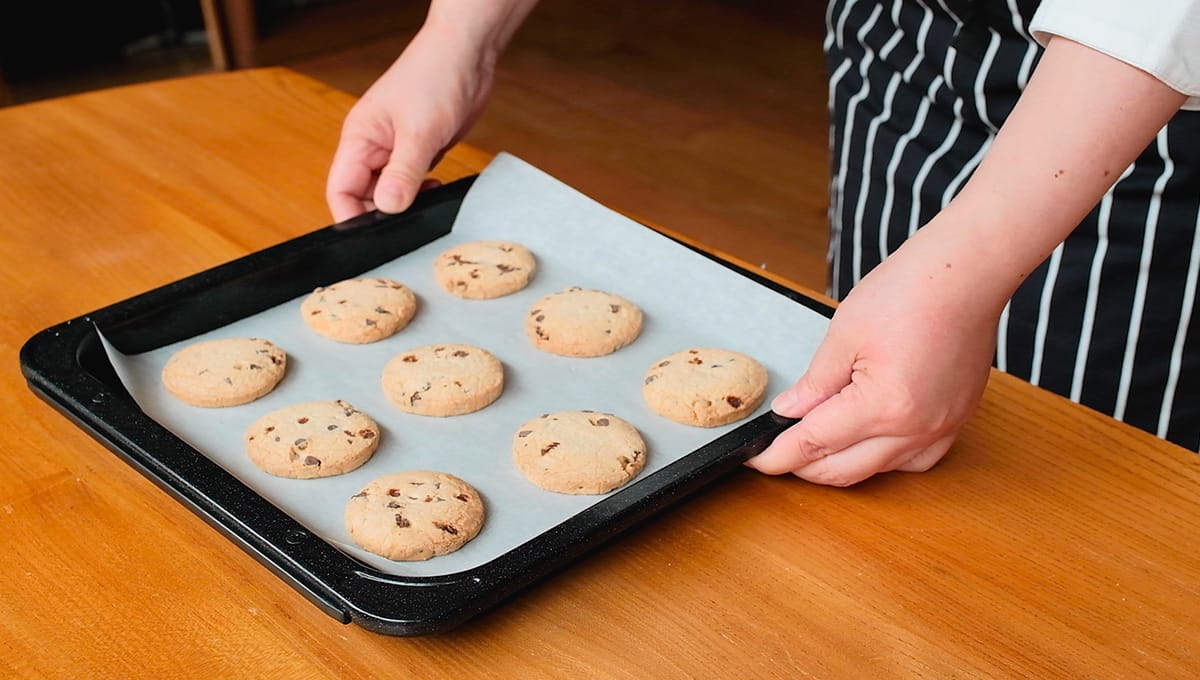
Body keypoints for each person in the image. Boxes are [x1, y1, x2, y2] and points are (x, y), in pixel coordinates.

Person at [327, 0, 1200, 486]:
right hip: (906, 47)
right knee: (869, 404)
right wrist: (459, 35)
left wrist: (969, 266)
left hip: (1143, 120)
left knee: (1083, 478)